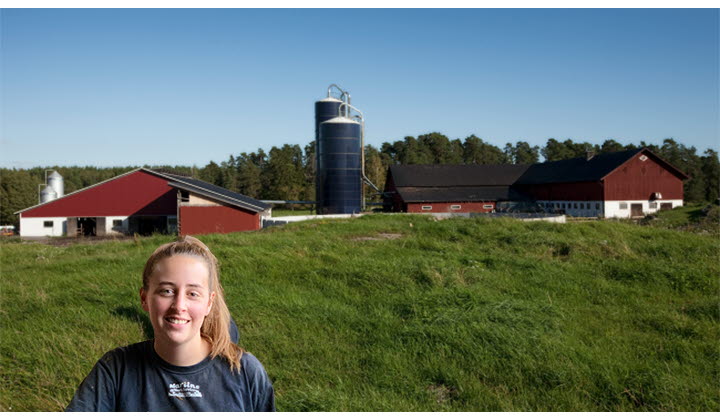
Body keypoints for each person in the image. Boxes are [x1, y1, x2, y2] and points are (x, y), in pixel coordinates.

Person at [66, 236, 275, 411]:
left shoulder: (246, 372)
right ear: (144, 298)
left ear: (209, 303)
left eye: (193, 293)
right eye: (167, 291)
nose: (179, 305)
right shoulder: (114, 369)